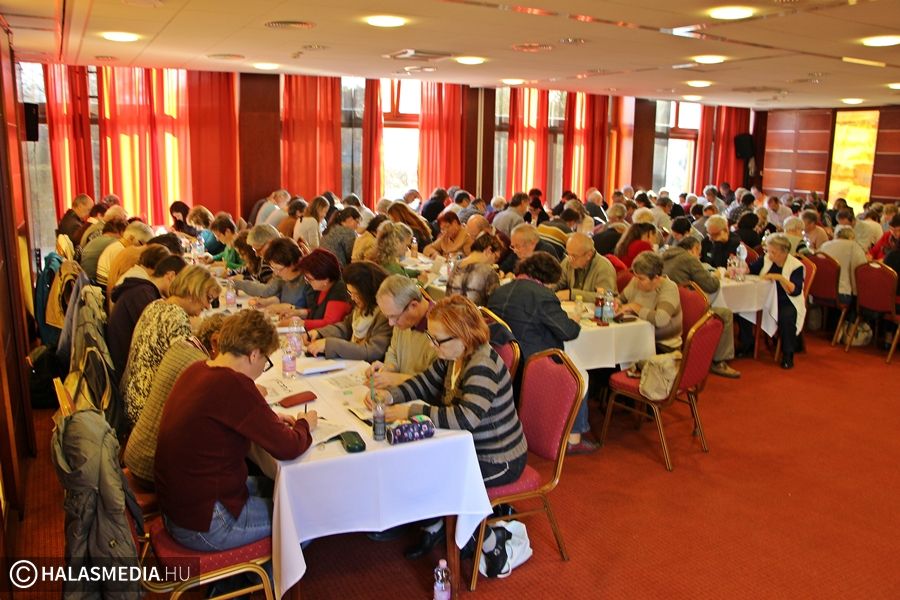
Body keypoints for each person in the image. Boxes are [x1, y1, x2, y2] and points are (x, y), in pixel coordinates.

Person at [372, 295, 527, 559]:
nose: (433, 346)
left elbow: (465, 418)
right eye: (431, 338)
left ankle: (492, 543)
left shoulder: (482, 364)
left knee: (443, 482)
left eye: (437, 340)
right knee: (423, 468)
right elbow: (425, 382)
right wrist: (390, 396)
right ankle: (435, 527)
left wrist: (411, 410)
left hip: (499, 459)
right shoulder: (453, 355)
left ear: (464, 336)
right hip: (467, 449)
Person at [155, 310, 317, 552]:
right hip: (208, 522)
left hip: (180, 508)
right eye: (266, 361)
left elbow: (228, 419)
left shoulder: (198, 369)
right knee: (307, 515)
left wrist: (269, 420)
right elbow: (289, 447)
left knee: (282, 487)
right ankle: (269, 576)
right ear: (254, 354)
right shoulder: (234, 384)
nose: (262, 369)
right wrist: (305, 424)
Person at [487, 252, 591, 452]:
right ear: (547, 279)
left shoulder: (499, 290)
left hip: (501, 358)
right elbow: (568, 332)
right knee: (580, 374)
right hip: (531, 362)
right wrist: (575, 320)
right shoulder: (542, 296)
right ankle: (574, 438)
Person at [123, 313, 226, 489]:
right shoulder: (199, 365)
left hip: (137, 452)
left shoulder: (181, 347)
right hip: (150, 468)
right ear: (215, 343)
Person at [122, 265, 221, 425]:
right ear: (193, 291)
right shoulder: (176, 318)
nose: (208, 306)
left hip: (132, 399)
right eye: (208, 298)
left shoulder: (156, 305)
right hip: (147, 413)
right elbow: (190, 373)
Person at [662, 238, 741, 378]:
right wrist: (717, 275)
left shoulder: (664, 255)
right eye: (699, 252)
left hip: (667, 307)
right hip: (685, 309)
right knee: (725, 314)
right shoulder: (688, 259)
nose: (699, 256)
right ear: (694, 249)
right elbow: (711, 285)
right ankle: (718, 361)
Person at [107, 252, 186, 379]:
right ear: (171, 276)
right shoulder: (143, 296)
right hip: (126, 371)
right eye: (182, 283)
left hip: (125, 364)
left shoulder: (144, 290)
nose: (182, 290)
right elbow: (160, 340)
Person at [739, 234, 806, 369]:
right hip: (764, 298)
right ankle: (748, 345)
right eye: (768, 251)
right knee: (743, 307)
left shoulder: (796, 266)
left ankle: (788, 354)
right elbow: (751, 270)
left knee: (787, 317)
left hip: (786, 300)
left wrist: (779, 277)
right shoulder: (766, 259)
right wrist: (742, 268)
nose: (769, 255)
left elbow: (795, 291)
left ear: (784, 252)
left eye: (773, 252)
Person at [305, 262, 392, 361]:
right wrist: (319, 333)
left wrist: (329, 344)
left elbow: (371, 351)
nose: (353, 298)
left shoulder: (386, 315)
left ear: (368, 292)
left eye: (357, 294)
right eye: (350, 293)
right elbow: (345, 327)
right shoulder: (360, 308)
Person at [370, 275, 438, 387]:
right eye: (387, 316)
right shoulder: (403, 320)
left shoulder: (439, 332)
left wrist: (396, 379)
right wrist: (389, 368)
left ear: (413, 305)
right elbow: (393, 351)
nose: (391, 323)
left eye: (393, 316)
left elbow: (434, 383)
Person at [619, 251, 683, 353]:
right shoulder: (637, 280)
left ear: (656, 278)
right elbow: (621, 299)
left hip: (662, 345)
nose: (636, 281)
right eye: (635, 276)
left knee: (617, 353)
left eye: (641, 279)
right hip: (636, 338)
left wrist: (635, 307)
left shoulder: (669, 288)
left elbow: (660, 319)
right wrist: (615, 303)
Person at [280, 248, 352, 331]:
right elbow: (318, 312)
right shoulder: (322, 288)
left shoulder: (339, 290)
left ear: (325, 279)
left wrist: (299, 323)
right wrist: (298, 312)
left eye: (310, 279)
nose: (308, 282)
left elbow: (329, 323)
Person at [245, 237, 312, 311]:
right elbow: (281, 298)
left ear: (293, 263)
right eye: (273, 268)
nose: (276, 273)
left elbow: (315, 313)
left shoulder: (309, 280)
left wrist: (290, 308)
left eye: (279, 269)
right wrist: (267, 302)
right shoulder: (283, 278)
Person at [556, 233, 616, 302]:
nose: (569, 259)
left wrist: (572, 294)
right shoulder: (568, 262)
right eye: (568, 254)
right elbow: (557, 282)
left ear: (588, 255)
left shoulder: (604, 268)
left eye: (574, 256)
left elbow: (605, 297)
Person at [445, 233, 502, 306]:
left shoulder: (456, 265)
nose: (494, 262)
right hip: (472, 312)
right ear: (489, 250)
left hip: (450, 311)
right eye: (496, 257)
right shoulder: (489, 272)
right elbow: (496, 305)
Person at [96, 220, 153, 286]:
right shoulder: (121, 250)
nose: (142, 248)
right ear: (131, 238)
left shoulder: (117, 245)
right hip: (105, 287)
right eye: (142, 244)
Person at [821, 225, 867, 306]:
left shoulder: (825, 245)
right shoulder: (853, 246)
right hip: (841, 293)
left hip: (819, 291)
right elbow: (861, 271)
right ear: (851, 237)